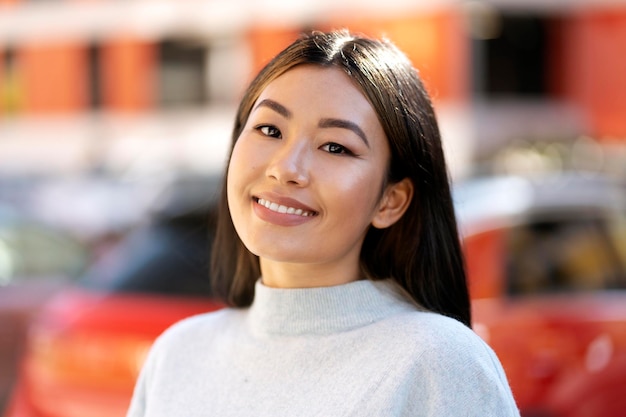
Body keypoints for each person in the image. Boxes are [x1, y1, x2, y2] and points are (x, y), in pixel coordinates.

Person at [126, 30, 520, 417]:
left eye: (335, 147)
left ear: (390, 200)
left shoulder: (437, 361)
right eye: (269, 129)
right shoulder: (177, 356)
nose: (286, 168)